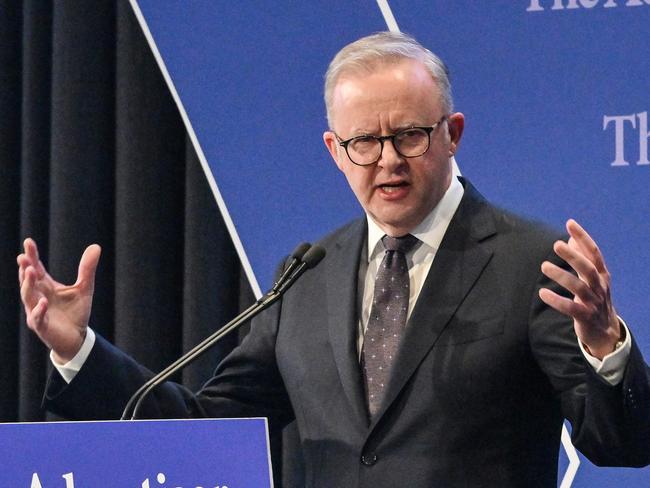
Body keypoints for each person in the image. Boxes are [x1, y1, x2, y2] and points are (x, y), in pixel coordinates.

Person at [17, 32, 649, 487]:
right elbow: (204, 432)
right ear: (333, 149)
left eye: (408, 135)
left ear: (452, 133)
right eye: (363, 142)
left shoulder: (530, 262)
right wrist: (80, 351)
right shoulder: (309, 274)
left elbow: (622, 446)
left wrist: (605, 349)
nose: (387, 160)